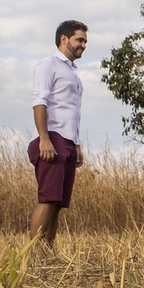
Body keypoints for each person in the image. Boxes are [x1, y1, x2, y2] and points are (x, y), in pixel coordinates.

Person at [28, 19, 88, 247]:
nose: (83, 45)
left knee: (58, 203)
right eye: (79, 40)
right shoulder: (49, 65)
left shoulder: (72, 72)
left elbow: (72, 111)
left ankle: (47, 253)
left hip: (68, 142)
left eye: (85, 41)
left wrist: (77, 144)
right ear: (64, 39)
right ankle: (33, 254)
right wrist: (44, 138)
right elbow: (39, 102)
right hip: (51, 138)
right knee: (48, 198)